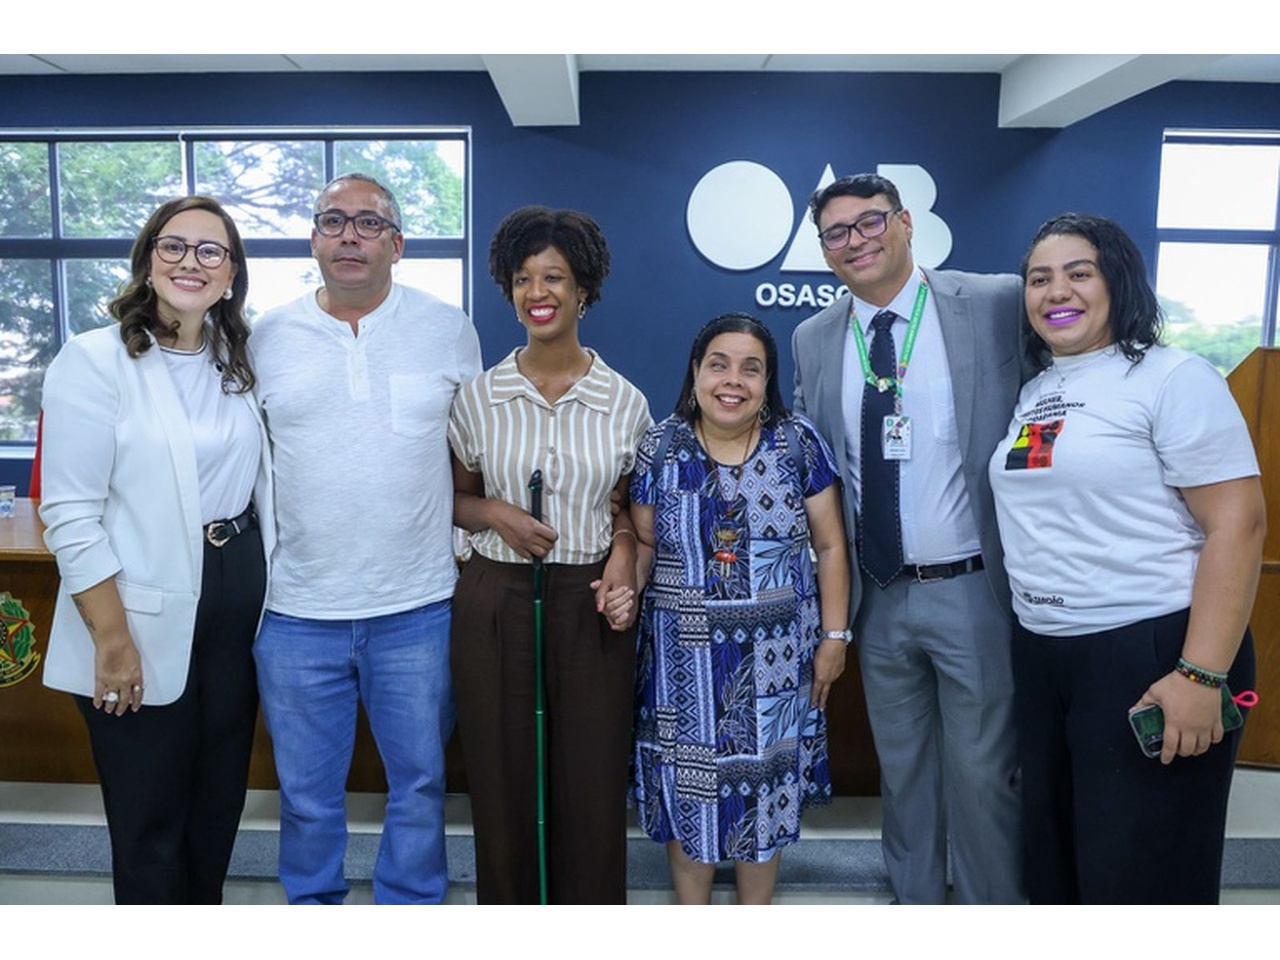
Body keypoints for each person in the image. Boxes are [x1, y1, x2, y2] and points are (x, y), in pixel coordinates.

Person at [989, 213, 1264, 903]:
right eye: (1040, 278)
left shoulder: (1173, 377)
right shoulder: (1036, 390)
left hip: (1151, 650)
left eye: (1080, 272)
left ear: (1119, 279)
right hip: (1047, 655)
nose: (1059, 290)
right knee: (1061, 869)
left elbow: (1239, 523)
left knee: (1142, 878)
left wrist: (1202, 675)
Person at [791, 173, 1024, 904]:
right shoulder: (814, 337)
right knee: (904, 770)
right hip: (879, 594)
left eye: (870, 223)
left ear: (905, 223)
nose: (855, 241)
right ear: (824, 249)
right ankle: (917, 905)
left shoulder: (991, 302)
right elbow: (813, 463)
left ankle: (995, 916)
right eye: (837, 232)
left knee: (986, 772)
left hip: (973, 588)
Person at [250, 173, 481, 904]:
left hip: (417, 607)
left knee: (419, 783)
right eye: (333, 221)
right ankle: (315, 909)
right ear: (313, 240)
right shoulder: (266, 336)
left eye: (369, 223)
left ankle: (407, 912)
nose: (350, 235)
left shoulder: (448, 327)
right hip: (294, 611)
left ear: (398, 243)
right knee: (306, 793)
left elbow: (473, 453)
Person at [39, 196, 272, 903]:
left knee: (215, 815)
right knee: (150, 827)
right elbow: (70, 514)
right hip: (137, 609)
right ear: (146, 261)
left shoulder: (237, 358)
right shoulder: (94, 360)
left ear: (231, 275)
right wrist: (112, 638)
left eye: (212, 251)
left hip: (234, 601)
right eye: (174, 246)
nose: (191, 263)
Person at [449, 205, 651, 904]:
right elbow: (456, 499)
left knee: (591, 782)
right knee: (501, 777)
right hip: (493, 599)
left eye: (555, 277)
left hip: (589, 603)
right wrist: (498, 514)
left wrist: (623, 552)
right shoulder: (478, 397)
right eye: (524, 277)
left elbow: (629, 509)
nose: (538, 291)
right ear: (508, 289)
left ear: (584, 290)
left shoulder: (624, 402)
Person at [631, 313, 850, 905]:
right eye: (718, 364)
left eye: (751, 368)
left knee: (764, 796)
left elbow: (830, 545)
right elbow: (644, 543)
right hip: (684, 671)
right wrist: (624, 585)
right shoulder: (661, 445)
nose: (733, 380)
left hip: (777, 664)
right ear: (696, 372)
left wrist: (835, 638)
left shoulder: (797, 442)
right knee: (689, 798)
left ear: (768, 379)